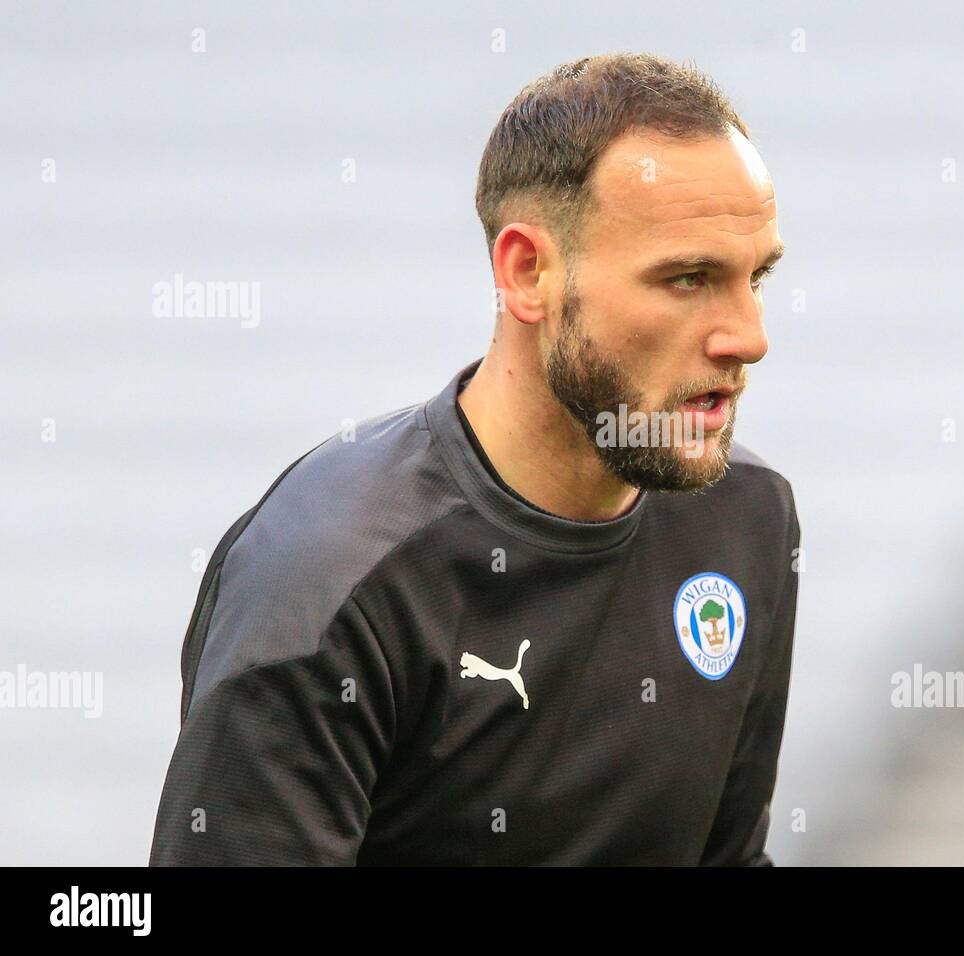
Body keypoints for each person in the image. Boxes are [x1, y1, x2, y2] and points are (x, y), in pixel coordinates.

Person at [149, 51, 800, 866]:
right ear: (528, 273)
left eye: (757, 277)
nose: (750, 337)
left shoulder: (749, 520)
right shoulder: (328, 579)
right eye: (689, 278)